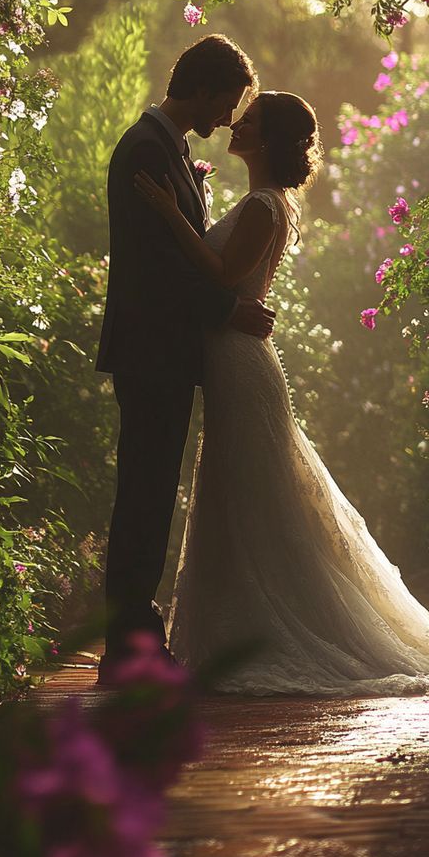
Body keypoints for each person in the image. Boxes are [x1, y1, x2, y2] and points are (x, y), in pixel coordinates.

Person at [135, 89, 429, 695]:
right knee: (241, 492)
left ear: (269, 140)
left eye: (251, 120)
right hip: (232, 356)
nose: (237, 125)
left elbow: (222, 275)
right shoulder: (261, 202)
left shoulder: (264, 205)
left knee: (252, 493)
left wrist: (169, 213)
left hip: (241, 362)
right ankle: (241, 628)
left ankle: (269, 629)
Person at [95, 35, 275, 679]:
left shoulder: (165, 148)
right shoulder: (146, 148)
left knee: (149, 494)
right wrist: (228, 311)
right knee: (143, 496)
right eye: (226, 103)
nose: (227, 118)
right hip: (151, 351)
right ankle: (128, 649)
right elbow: (156, 266)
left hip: (162, 351)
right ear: (201, 89)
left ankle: (133, 640)